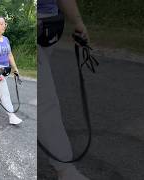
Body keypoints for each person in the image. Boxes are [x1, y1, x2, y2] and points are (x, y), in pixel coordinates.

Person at [38, 0, 90, 180]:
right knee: (45, 100)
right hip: (35, 24)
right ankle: (65, 170)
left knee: (41, 96)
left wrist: (77, 21)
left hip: (49, 26)